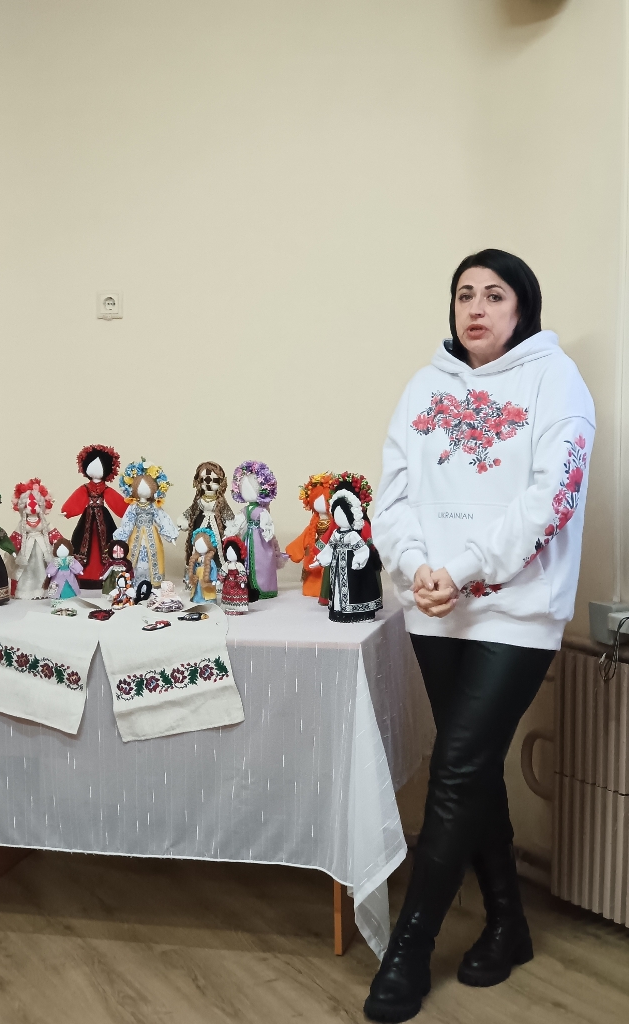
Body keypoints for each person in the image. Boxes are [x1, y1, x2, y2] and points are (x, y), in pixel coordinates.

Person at [366, 250, 595, 1022]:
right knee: (475, 768)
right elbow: (393, 494)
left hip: (515, 611)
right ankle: (507, 925)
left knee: (457, 768)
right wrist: (415, 568)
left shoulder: (556, 381)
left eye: (495, 295)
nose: (476, 307)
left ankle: (409, 950)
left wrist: (462, 568)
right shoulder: (424, 385)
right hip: (435, 606)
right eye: (465, 294)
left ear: (522, 307)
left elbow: (550, 499)